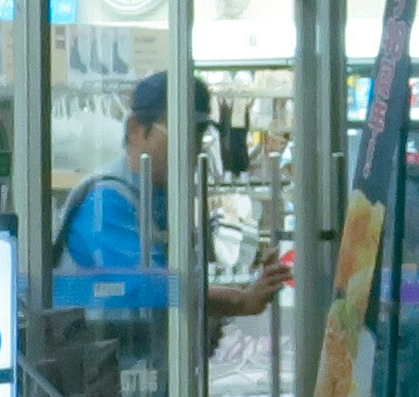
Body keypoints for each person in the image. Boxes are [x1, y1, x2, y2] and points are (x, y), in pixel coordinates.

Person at [55, 73, 282, 321]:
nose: (192, 147)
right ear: (135, 130)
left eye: (198, 133)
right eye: (180, 131)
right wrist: (240, 300)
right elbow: (152, 288)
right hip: (106, 355)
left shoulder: (162, 197)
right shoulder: (105, 201)